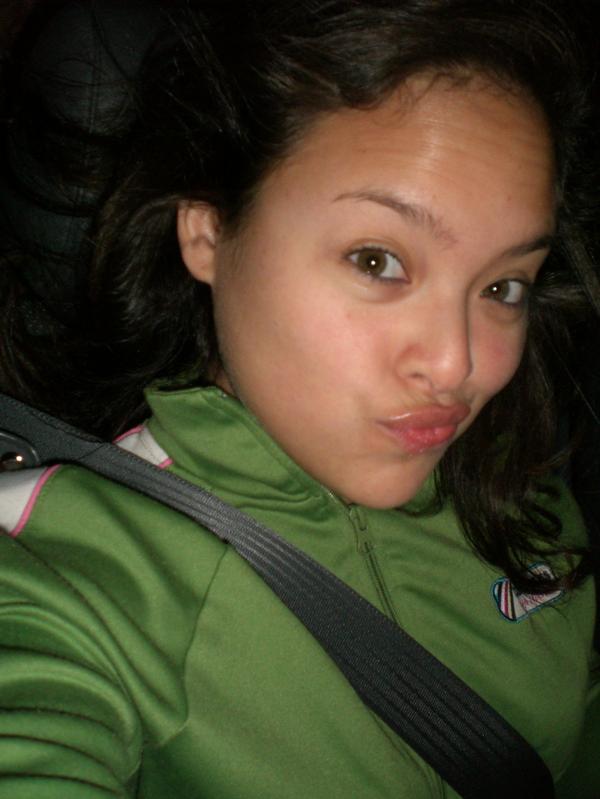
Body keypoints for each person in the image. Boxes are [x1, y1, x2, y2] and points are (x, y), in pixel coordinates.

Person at [0, 0, 598, 796]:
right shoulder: (74, 576)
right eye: (378, 261)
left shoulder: (522, 493)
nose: (458, 363)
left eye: (503, 285)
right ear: (207, 230)